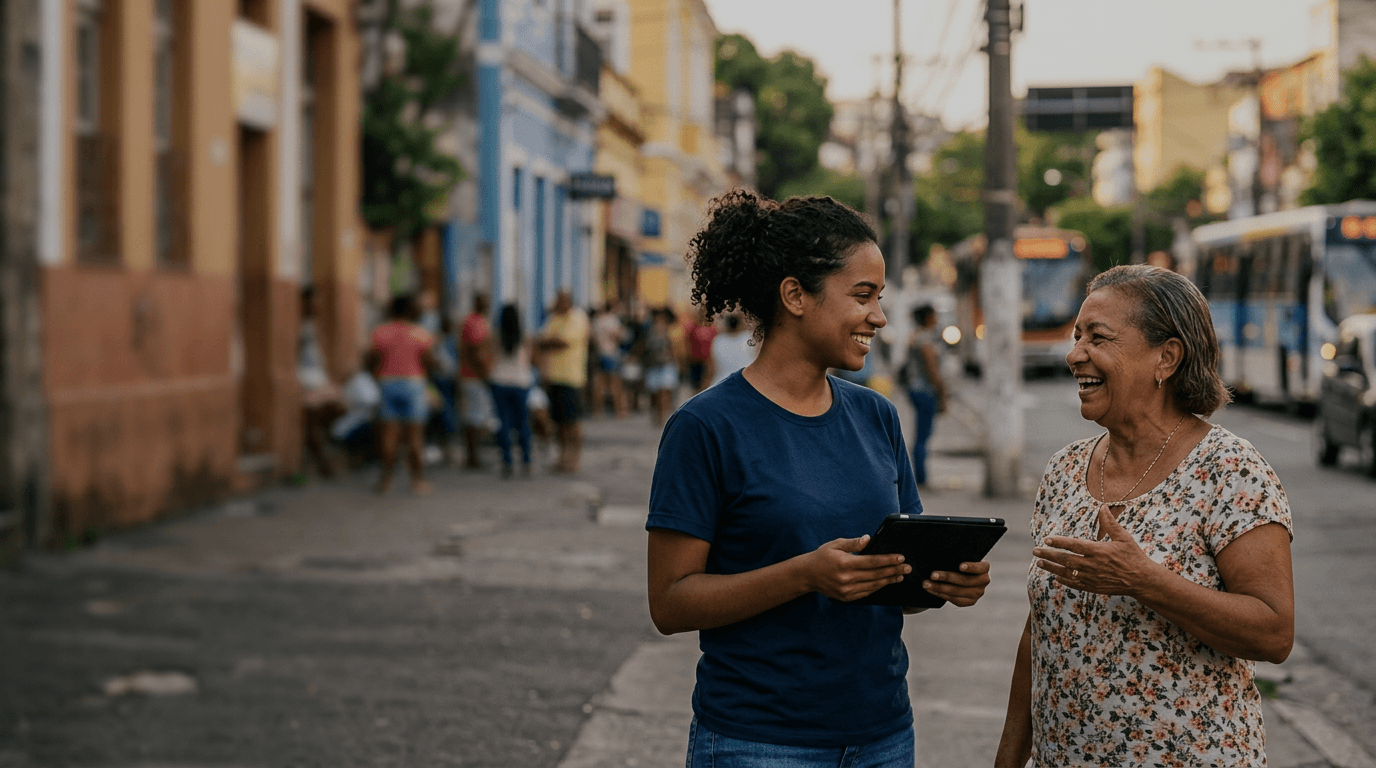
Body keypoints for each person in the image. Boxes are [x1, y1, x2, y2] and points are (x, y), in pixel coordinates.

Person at [647, 190, 991, 766]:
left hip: (883, 733)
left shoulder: (876, 416)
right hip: (758, 741)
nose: (879, 317)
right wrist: (806, 574)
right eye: (863, 296)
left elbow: (886, 576)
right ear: (795, 296)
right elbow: (671, 603)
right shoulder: (705, 427)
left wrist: (937, 585)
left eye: (879, 298)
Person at [995, 265, 1294, 768]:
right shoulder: (1065, 470)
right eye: (1076, 337)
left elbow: (1273, 632)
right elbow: (1042, 631)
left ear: (1166, 357)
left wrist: (1143, 581)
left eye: (1098, 338)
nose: (1074, 355)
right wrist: (1008, 761)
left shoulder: (1230, 471)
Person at [370, 294, 436, 495]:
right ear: (410, 310)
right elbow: (429, 362)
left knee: (389, 436)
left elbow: (371, 359)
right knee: (415, 436)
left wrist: (378, 375)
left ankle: (386, 481)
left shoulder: (380, 332)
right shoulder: (421, 334)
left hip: (387, 382)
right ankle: (417, 481)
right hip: (413, 383)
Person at [538, 289, 590, 473]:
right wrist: (550, 341)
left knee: (572, 420)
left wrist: (549, 342)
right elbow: (541, 340)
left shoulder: (577, 317)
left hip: (572, 377)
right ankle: (562, 456)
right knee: (559, 421)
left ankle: (574, 457)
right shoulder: (554, 318)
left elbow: (562, 342)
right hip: (554, 377)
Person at [297, 286, 343, 477]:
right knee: (313, 419)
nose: (318, 305)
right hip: (306, 378)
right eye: (314, 301)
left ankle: (322, 454)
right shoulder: (299, 324)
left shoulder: (312, 323)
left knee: (335, 409)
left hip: (317, 376)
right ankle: (320, 459)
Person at [900, 304, 947, 487]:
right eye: (935, 315)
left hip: (915, 389)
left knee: (921, 434)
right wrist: (943, 394)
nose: (937, 319)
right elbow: (932, 371)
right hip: (925, 391)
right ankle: (921, 478)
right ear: (928, 317)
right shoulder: (925, 339)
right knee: (923, 435)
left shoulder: (915, 336)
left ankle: (920, 476)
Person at [489, 304, 535, 478]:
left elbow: (491, 357)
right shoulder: (524, 336)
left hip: (499, 381)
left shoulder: (496, 336)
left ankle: (507, 461)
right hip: (520, 382)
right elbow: (528, 359)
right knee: (522, 422)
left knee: (503, 423)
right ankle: (526, 461)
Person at [459, 293, 495, 469]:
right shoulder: (474, 322)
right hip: (473, 377)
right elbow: (475, 350)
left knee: (477, 418)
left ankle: (475, 457)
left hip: (474, 376)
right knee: (473, 419)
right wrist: (484, 373)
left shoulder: (480, 320)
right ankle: (472, 458)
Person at [642, 307, 680, 425]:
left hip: (667, 364)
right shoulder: (649, 331)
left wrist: (677, 362)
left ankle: (663, 415)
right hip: (653, 365)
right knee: (654, 394)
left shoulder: (671, 331)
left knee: (664, 392)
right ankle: (657, 414)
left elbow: (674, 348)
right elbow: (644, 347)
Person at [591, 301, 627, 417]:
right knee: (615, 384)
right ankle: (620, 410)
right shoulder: (613, 320)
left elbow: (593, 338)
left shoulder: (597, 320)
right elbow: (619, 335)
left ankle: (598, 410)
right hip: (611, 353)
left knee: (600, 384)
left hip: (600, 353)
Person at [705, 312, 756, 387]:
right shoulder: (749, 338)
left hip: (721, 383)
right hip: (744, 384)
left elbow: (711, 369)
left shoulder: (718, 340)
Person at [685, 305, 718, 394]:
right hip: (695, 362)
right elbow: (687, 344)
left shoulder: (712, 329)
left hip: (707, 363)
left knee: (706, 387)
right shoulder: (692, 328)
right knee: (695, 388)